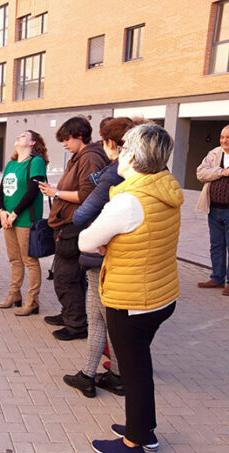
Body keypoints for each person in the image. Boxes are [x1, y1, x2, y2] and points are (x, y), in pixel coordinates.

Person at [80, 124, 183, 453]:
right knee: (140, 366)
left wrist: (106, 241)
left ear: (135, 157)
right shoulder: (165, 187)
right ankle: (143, 430)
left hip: (133, 299)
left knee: (134, 371)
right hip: (160, 295)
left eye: (124, 149)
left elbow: (86, 240)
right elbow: (143, 236)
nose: (119, 154)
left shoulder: (128, 200)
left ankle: (133, 443)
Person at [63, 117, 137, 398]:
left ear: (111, 143)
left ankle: (92, 376)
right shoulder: (156, 173)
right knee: (110, 318)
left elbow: (82, 215)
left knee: (101, 318)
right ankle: (113, 374)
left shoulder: (114, 174)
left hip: (104, 254)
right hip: (131, 257)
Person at [39, 116, 108, 340]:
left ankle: (76, 324)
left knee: (65, 277)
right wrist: (56, 190)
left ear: (79, 136)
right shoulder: (80, 157)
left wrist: (57, 193)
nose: (64, 144)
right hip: (70, 223)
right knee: (70, 276)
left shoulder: (90, 158)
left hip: (73, 225)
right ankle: (70, 314)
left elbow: (89, 195)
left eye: (67, 139)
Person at [0, 130, 48, 316]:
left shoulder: (36, 162)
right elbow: (1, 191)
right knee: (14, 259)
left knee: (29, 261)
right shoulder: (11, 164)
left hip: (25, 220)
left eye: (24, 135)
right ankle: (14, 294)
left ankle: (32, 301)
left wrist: (15, 213)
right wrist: (1, 212)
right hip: (8, 219)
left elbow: (32, 191)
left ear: (33, 142)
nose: (19, 136)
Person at [195, 124, 229, 295]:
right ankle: (217, 278)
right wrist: (221, 172)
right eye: (222, 137)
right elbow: (200, 173)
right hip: (214, 209)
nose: (224, 141)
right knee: (216, 245)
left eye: (228, 137)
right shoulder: (214, 153)